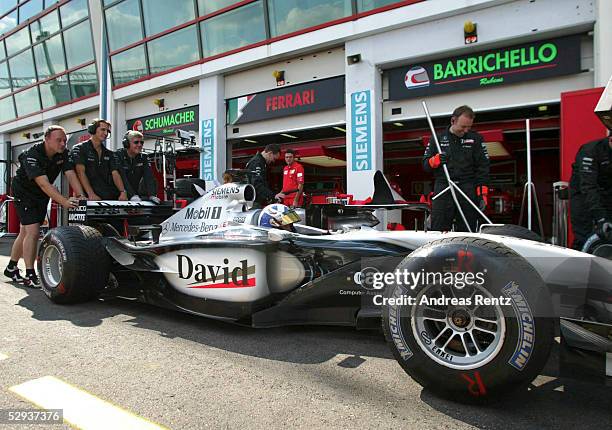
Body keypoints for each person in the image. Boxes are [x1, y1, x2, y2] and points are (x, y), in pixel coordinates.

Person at [4, 126, 86, 287]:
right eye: (58, 140)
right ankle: (29, 274)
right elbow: (44, 184)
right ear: (47, 139)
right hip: (24, 193)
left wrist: (81, 194)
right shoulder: (32, 155)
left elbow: (70, 174)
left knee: (25, 232)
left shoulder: (63, 153)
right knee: (33, 232)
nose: (63, 143)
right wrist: (64, 202)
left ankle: (11, 268)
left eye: (64, 140)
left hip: (41, 194)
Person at [422, 105, 490, 232]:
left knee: (468, 229)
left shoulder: (476, 139)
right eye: (463, 127)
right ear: (453, 121)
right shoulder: (437, 139)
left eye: (469, 127)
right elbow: (425, 165)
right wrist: (435, 160)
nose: (465, 130)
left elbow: (483, 168)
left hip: (467, 187)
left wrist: (482, 194)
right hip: (443, 187)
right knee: (438, 228)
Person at [569, 132, 612, 250]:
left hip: (605, 194)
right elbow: (588, 186)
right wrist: (601, 218)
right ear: (610, 139)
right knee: (583, 236)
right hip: (582, 194)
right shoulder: (591, 150)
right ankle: (576, 266)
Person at [71, 119, 127, 201]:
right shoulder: (80, 148)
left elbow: (115, 173)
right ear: (93, 130)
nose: (105, 133)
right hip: (85, 198)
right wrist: (91, 194)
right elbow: (80, 173)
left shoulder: (109, 153)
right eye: (102, 130)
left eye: (107, 131)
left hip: (106, 197)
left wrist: (123, 192)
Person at [115, 131, 160, 203]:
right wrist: (132, 195)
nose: (139, 145)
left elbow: (149, 177)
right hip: (118, 195)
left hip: (135, 196)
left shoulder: (144, 157)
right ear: (127, 144)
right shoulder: (117, 155)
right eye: (136, 142)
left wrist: (152, 195)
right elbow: (122, 177)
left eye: (141, 142)